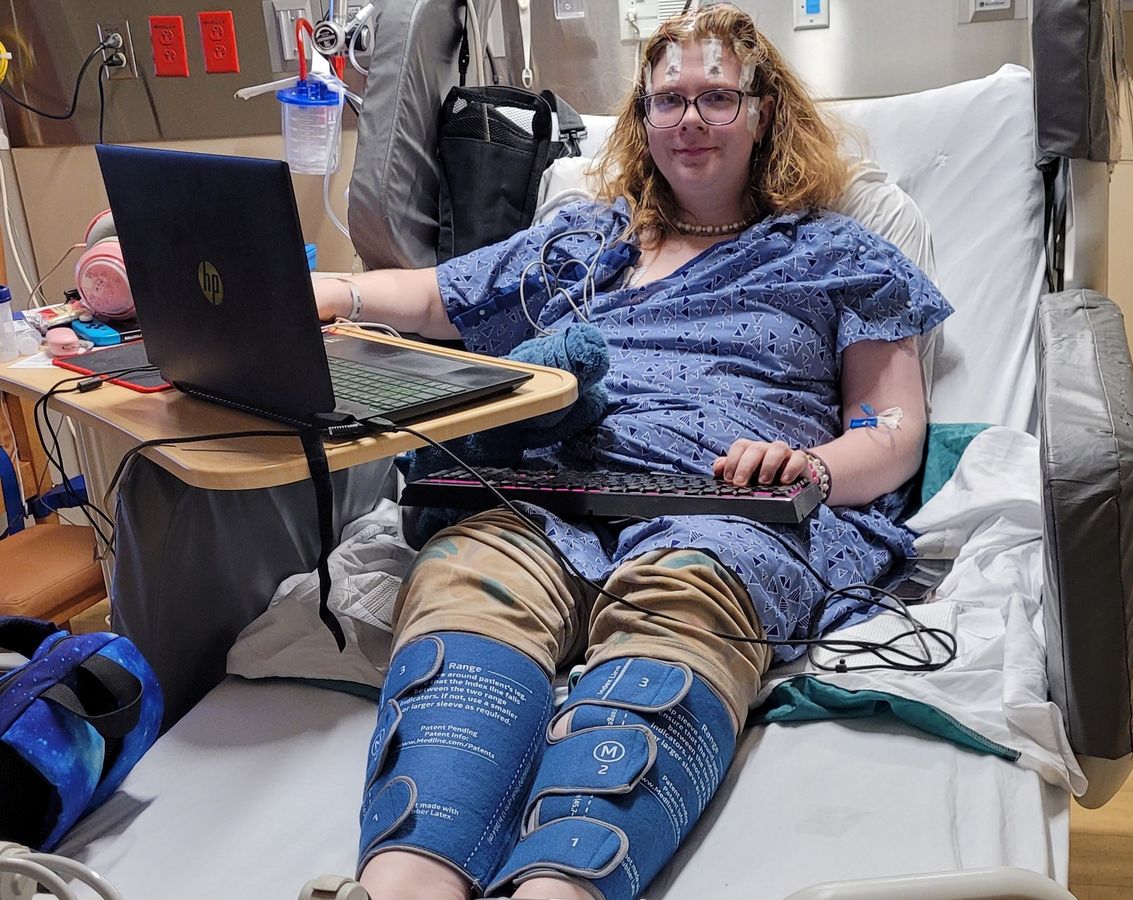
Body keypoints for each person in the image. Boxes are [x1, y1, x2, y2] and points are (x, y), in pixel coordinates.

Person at [313, 6, 950, 900]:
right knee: (468, 576)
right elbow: (431, 299)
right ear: (644, 118)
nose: (690, 120)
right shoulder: (586, 241)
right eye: (668, 100)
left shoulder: (840, 255)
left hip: (725, 510)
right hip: (550, 492)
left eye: (716, 97)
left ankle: (562, 887)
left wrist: (812, 468)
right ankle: (402, 885)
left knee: (687, 598)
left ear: (762, 111)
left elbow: (892, 427)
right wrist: (329, 293)